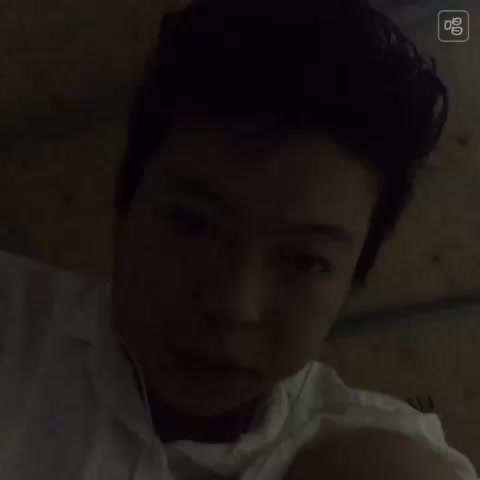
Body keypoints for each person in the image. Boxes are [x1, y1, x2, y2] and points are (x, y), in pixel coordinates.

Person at [0, 0, 477, 479]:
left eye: (305, 261)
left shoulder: (370, 454)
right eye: (193, 225)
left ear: (351, 282)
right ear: (124, 208)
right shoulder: (15, 322)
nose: (232, 306)